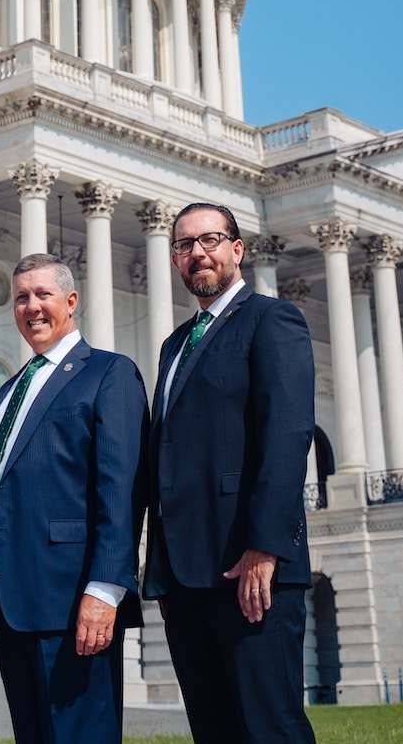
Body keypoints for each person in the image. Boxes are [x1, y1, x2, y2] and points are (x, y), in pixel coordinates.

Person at [144, 202, 316, 744]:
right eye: (184, 245)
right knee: (214, 729)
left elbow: (287, 436)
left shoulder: (272, 319)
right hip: (186, 575)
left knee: (270, 728)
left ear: (237, 250)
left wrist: (264, 547)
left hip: (249, 568)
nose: (198, 253)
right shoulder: (174, 345)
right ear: (175, 260)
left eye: (210, 239)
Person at [0, 252, 148, 744]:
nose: (31, 306)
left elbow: (122, 493)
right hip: (11, 610)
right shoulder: (8, 391)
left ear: (70, 301)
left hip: (72, 603)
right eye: (21, 297)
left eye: (43, 294)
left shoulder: (109, 374)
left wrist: (105, 590)